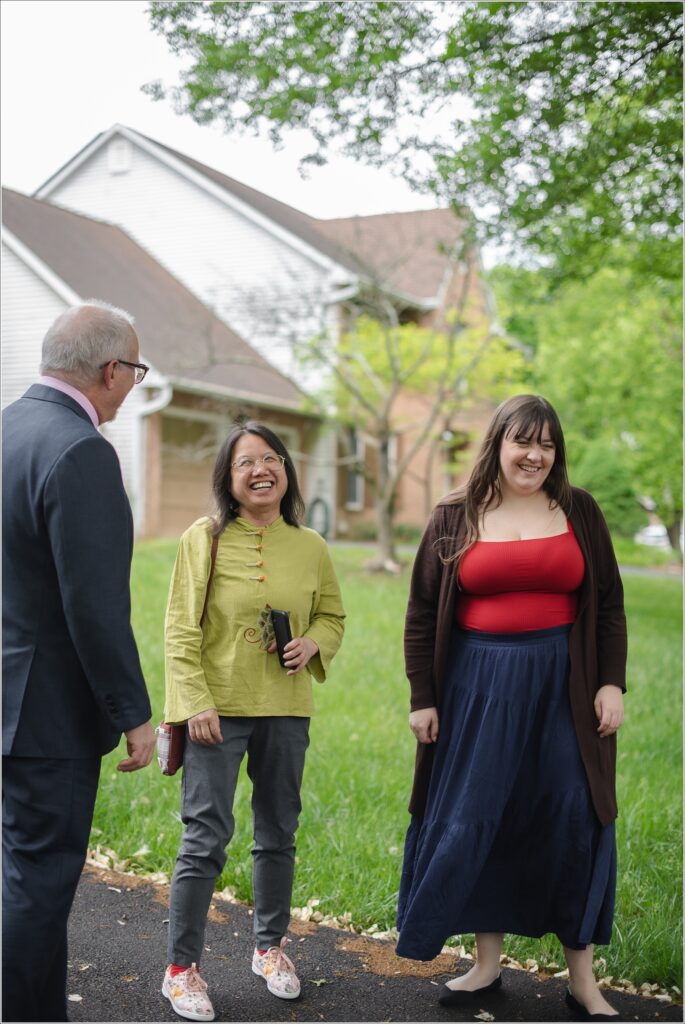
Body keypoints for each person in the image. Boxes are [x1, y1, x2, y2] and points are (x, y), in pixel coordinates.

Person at [396, 394, 626, 1022]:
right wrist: (424, 697)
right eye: (523, 442)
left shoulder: (580, 511)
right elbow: (421, 613)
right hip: (479, 686)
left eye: (547, 444)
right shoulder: (454, 515)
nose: (535, 455)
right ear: (497, 443)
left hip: (566, 685)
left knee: (574, 815)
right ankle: (486, 963)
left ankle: (582, 979)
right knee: (480, 813)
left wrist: (612, 683)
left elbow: (607, 604)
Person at [2, 301, 157, 1023]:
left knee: (14, 877)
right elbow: (93, 607)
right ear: (109, 370)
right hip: (45, 717)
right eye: (134, 369)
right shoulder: (80, 449)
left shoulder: (6, 431)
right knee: (37, 884)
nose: (133, 385)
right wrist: (134, 715)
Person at [162, 421, 345, 1022]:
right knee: (205, 839)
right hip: (217, 711)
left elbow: (333, 616)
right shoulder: (205, 537)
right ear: (229, 476)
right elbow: (179, 630)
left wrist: (315, 642)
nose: (260, 470)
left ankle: (270, 949)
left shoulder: (311, 545)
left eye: (271, 459)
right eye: (246, 462)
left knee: (278, 832)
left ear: (287, 470)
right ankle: (181, 970)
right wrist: (194, 703)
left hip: (287, 710)